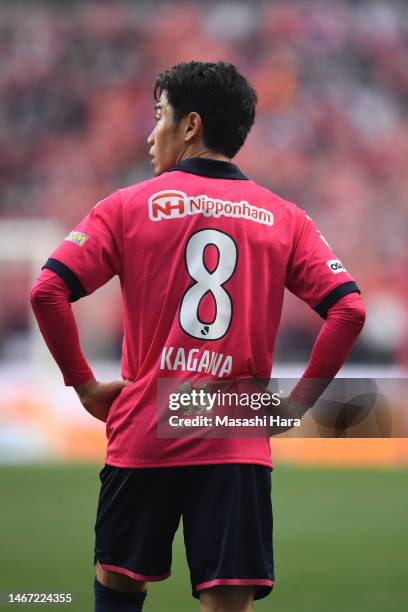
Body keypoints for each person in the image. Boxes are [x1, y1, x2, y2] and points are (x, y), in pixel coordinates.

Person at [30, 61, 366, 612]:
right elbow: (348, 309)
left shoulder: (125, 206)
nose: (149, 133)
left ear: (190, 126)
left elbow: (47, 291)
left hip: (144, 430)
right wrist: (295, 406)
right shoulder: (286, 217)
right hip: (234, 435)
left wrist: (85, 387)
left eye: (158, 116)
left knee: (118, 589)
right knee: (226, 602)